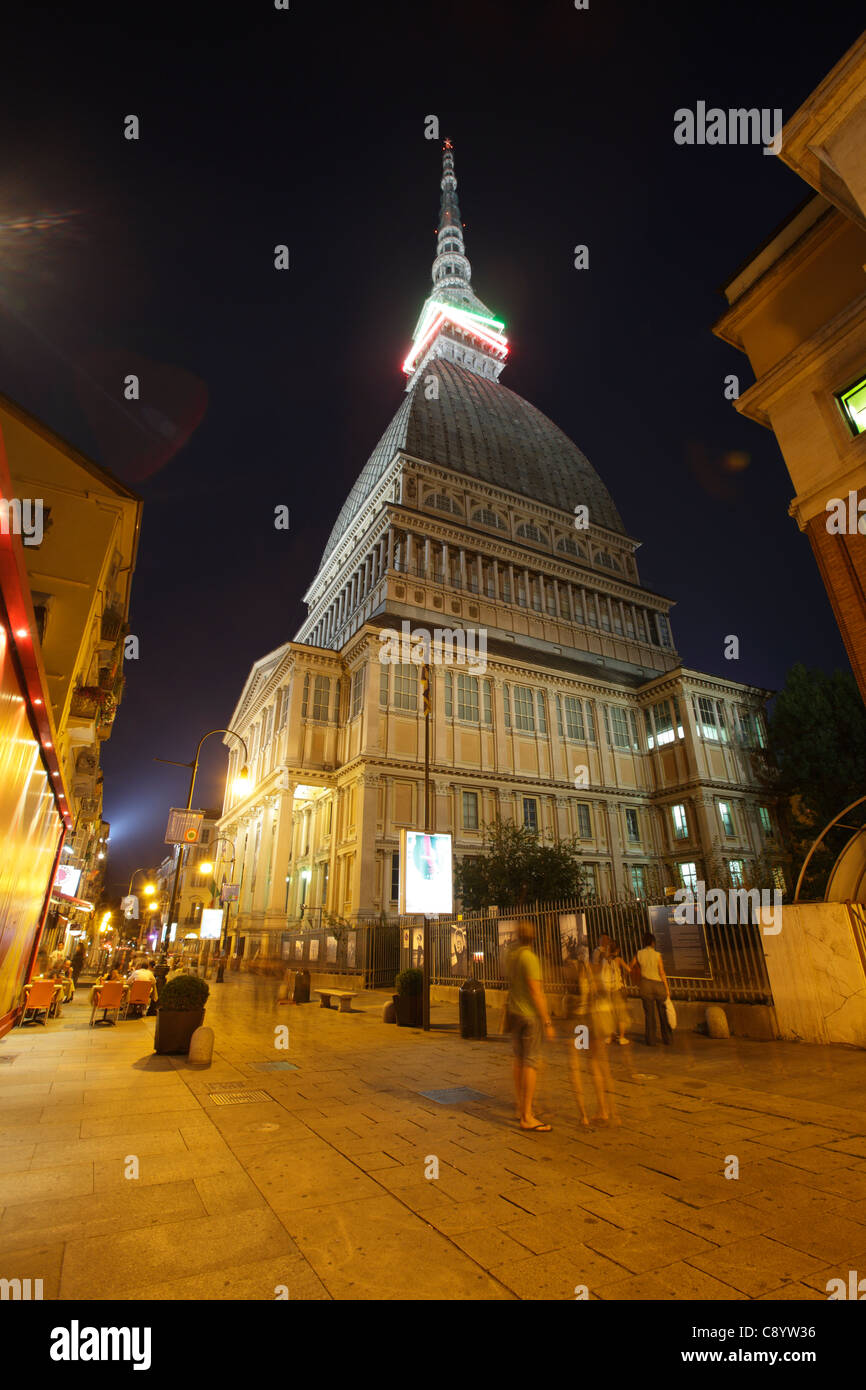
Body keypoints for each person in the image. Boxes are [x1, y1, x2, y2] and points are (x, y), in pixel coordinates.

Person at [506, 919, 555, 1132]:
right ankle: (527, 1115)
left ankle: (520, 1106)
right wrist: (547, 1020)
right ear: (532, 938)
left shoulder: (511, 956)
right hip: (529, 1016)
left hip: (513, 1012)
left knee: (518, 1060)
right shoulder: (530, 958)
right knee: (530, 1062)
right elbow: (536, 992)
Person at [630, 931, 672, 1046]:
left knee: (649, 1014)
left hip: (645, 985)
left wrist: (637, 978)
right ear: (653, 942)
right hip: (658, 985)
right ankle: (667, 1039)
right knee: (663, 1013)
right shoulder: (657, 955)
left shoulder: (638, 954)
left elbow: (631, 967)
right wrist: (667, 988)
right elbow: (662, 972)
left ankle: (650, 1040)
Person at [604, 942, 631, 1045]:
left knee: (611, 1014)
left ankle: (611, 1036)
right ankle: (622, 1037)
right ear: (617, 950)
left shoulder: (604, 961)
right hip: (618, 990)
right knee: (621, 1014)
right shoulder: (618, 960)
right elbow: (628, 969)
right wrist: (623, 976)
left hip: (607, 990)